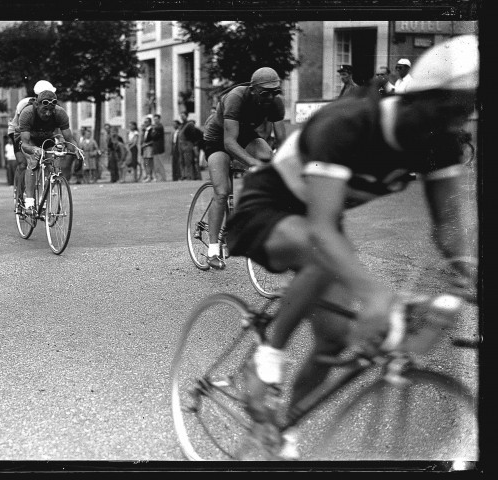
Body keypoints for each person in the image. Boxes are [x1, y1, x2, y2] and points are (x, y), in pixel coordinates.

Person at [226, 35, 479, 459]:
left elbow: (451, 233)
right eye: (451, 111)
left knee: (332, 342)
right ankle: (266, 357)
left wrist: (471, 272)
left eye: (467, 114)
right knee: (324, 253)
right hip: (267, 207)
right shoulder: (348, 124)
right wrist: (376, 295)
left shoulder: (438, 142)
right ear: (419, 99)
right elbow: (323, 231)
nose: (456, 126)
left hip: (317, 225)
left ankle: (283, 428)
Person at [202, 66, 288, 269]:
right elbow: (229, 143)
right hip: (218, 138)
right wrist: (253, 163)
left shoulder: (275, 102)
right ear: (253, 89)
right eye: (265, 93)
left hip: (245, 133)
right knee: (222, 192)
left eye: (275, 92)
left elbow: (282, 140)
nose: (270, 98)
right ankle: (213, 250)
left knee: (268, 158)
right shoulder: (236, 97)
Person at [17, 89, 81, 213]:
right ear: (36, 105)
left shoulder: (60, 113)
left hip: (47, 138)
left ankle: (44, 198)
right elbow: (24, 143)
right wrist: (34, 149)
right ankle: (29, 202)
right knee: (33, 161)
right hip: (30, 140)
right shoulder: (27, 113)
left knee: (52, 162)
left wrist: (77, 149)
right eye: (44, 110)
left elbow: (69, 138)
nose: (47, 114)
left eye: (51, 110)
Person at [8, 80, 56, 201]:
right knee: (24, 163)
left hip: (38, 132)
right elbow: (23, 130)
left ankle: (44, 191)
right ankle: (19, 196)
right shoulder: (24, 105)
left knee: (47, 160)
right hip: (19, 131)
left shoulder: (51, 105)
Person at [177, 113, 204, 181]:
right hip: (182, 145)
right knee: (183, 161)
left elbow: (194, 135)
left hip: (187, 145)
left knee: (188, 161)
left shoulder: (189, 125)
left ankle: (191, 176)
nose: (182, 117)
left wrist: (195, 144)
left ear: (186, 116)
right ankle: (185, 176)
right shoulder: (182, 125)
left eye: (183, 116)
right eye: (181, 116)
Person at [150, 114, 166, 181]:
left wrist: (153, 130)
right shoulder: (155, 127)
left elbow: (153, 136)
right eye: (154, 119)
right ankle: (158, 177)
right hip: (155, 147)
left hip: (159, 148)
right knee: (156, 164)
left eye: (156, 119)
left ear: (159, 119)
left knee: (160, 163)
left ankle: (162, 177)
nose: (155, 120)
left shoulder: (159, 127)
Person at [140, 117, 154, 182]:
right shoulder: (144, 130)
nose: (145, 123)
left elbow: (153, 140)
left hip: (149, 147)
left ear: (150, 122)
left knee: (149, 161)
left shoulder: (152, 129)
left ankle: (150, 176)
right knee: (145, 162)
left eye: (146, 122)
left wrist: (147, 144)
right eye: (144, 122)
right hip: (144, 148)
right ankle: (147, 175)